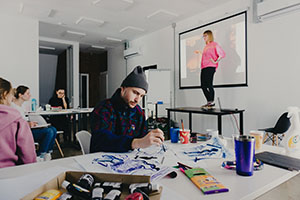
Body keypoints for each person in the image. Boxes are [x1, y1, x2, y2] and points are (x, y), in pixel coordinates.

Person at [90, 66, 164, 153]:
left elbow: (142, 136)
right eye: (135, 93)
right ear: (122, 90)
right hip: (102, 160)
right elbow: (101, 141)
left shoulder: (139, 112)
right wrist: (135, 143)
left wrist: (150, 137)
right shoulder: (104, 108)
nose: (137, 99)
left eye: (141, 96)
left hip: (130, 160)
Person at [12, 85, 57, 158]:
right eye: (27, 93)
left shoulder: (22, 106)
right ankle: (40, 155)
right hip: (22, 133)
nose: (30, 95)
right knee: (49, 131)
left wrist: (31, 123)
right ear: (20, 95)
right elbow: (15, 124)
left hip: (27, 129)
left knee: (53, 129)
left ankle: (47, 152)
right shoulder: (13, 107)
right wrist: (28, 124)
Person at [0, 78, 36, 168]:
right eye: (11, 94)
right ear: (4, 94)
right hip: (9, 172)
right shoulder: (16, 119)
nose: (12, 98)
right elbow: (28, 156)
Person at [196, 30, 225, 109]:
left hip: (210, 67)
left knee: (209, 84)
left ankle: (211, 101)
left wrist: (216, 61)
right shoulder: (206, 47)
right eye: (203, 36)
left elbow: (222, 54)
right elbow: (207, 56)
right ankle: (209, 101)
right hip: (204, 67)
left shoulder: (214, 44)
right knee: (203, 85)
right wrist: (200, 52)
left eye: (205, 36)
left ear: (209, 36)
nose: (204, 38)